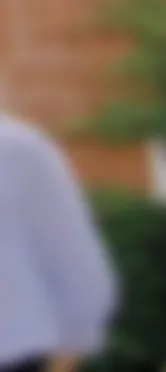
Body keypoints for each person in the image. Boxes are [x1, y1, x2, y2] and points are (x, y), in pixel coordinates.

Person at [0, 113, 118, 372]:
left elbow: (78, 268)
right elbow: (79, 270)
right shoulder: (18, 150)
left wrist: (76, 341)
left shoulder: (17, 152)